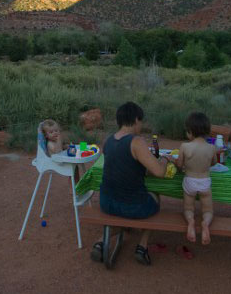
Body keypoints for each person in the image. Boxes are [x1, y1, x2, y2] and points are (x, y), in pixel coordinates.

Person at [92, 101, 171, 266]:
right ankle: (142, 245)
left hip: (106, 203)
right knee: (155, 198)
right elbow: (159, 172)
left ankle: (101, 242)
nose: (141, 125)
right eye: (140, 121)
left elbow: (123, 164)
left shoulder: (107, 141)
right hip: (133, 207)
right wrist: (164, 159)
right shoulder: (136, 142)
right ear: (136, 119)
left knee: (122, 210)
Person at [175, 112, 217, 245]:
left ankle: (191, 221)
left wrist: (178, 163)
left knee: (188, 208)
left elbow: (179, 165)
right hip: (204, 182)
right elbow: (214, 163)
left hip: (190, 181)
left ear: (190, 132)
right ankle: (205, 223)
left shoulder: (185, 146)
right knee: (208, 210)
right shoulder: (211, 148)